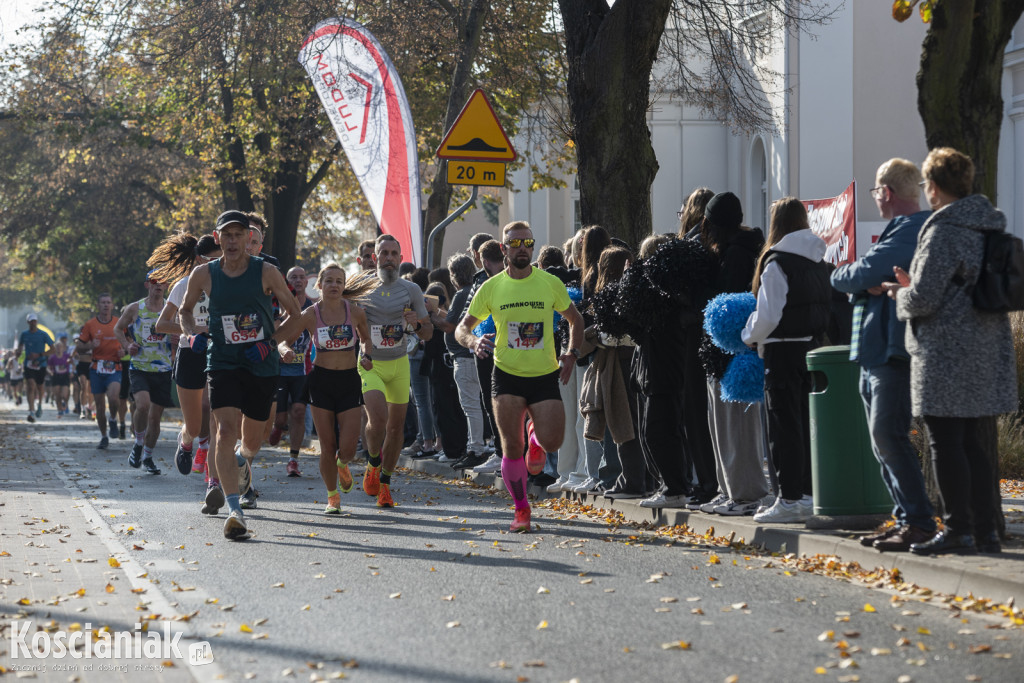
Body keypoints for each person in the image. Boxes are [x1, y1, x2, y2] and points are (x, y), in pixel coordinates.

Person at [885, 147, 1017, 555]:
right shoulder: (988, 226)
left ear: (935, 188)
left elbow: (924, 298)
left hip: (946, 352)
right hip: (985, 348)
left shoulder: (944, 230)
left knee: (946, 442)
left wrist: (899, 293)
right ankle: (985, 530)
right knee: (975, 444)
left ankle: (959, 529)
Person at [831, 159, 936, 550]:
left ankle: (919, 521)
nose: (875, 198)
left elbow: (852, 273)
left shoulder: (909, 231)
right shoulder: (905, 230)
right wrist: (865, 282)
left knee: (887, 435)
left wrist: (857, 279)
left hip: (891, 353)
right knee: (883, 439)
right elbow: (867, 277)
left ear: (886, 193)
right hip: (879, 350)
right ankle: (907, 518)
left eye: (876, 191)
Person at [456, 221, 584, 532]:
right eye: (515, 244)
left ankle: (535, 435)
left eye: (527, 243)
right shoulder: (492, 287)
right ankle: (521, 509)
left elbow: (574, 319)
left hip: (543, 374)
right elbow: (462, 328)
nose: (522, 249)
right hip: (506, 375)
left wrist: (571, 353)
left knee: (553, 441)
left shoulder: (549, 283)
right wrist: (474, 341)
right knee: (511, 448)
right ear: (504, 248)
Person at [180, 210, 301, 540]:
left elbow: (296, 315)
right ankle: (234, 510)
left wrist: (271, 343)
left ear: (249, 239)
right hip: (222, 361)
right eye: (226, 235)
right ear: (217, 238)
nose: (232, 241)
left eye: (239, 235)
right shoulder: (204, 274)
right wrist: (194, 335)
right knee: (225, 430)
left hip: (260, 364)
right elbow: (185, 311)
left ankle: (241, 461)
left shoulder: (267, 272)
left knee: (251, 441)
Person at [743, 198, 830, 524]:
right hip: (811, 349)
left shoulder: (777, 260)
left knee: (783, 427)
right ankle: (805, 494)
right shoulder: (819, 258)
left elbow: (768, 314)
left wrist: (747, 334)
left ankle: (790, 498)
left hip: (780, 351)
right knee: (805, 426)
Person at [275, 263, 375, 514]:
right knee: (327, 446)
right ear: (318, 285)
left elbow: (365, 339)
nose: (334, 285)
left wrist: (365, 354)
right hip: (321, 382)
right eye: (329, 281)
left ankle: (343, 464)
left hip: (349, 381)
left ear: (344, 286)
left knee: (349, 448)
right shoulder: (311, 314)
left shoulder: (356, 312)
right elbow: (284, 339)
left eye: (339, 281)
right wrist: (285, 350)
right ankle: (333, 498)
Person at [696, 192, 770, 516]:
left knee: (738, 429)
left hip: (736, 352)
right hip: (725, 350)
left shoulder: (738, 254)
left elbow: (734, 300)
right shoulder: (731, 251)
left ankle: (745, 493)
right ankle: (729, 489)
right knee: (723, 427)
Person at [358, 234, 433, 507]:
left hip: (399, 363)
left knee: (395, 428)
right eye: (384, 253)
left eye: (393, 253)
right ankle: (373, 463)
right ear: (374, 257)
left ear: (400, 259)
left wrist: (416, 323)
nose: (388, 258)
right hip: (370, 363)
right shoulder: (361, 287)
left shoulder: (411, 290)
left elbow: (427, 333)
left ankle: (386, 484)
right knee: (377, 422)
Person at [154, 233, 223, 511]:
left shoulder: (229, 283)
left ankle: (214, 481)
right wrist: (194, 332)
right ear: (199, 259)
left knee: (218, 419)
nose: (217, 264)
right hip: (190, 354)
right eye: (211, 260)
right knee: (195, 426)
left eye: (221, 259)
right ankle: (185, 441)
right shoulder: (184, 285)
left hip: (221, 355)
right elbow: (162, 325)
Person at [581, 246, 652, 499]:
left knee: (625, 423)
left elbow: (617, 336)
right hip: (626, 363)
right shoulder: (632, 291)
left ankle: (632, 480)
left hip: (621, 365)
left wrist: (593, 335)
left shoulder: (620, 293)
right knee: (631, 423)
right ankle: (639, 478)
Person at [115, 271, 175, 475]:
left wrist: (177, 339)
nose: (159, 285)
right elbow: (118, 328)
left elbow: (183, 329)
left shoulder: (171, 309)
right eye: (154, 282)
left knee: (155, 419)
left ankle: (148, 457)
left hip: (163, 369)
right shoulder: (135, 308)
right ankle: (138, 443)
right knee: (142, 405)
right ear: (147, 285)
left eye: (163, 281)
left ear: (167, 286)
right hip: (140, 367)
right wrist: (127, 345)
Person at [269, 266, 315, 476]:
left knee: (297, 412)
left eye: (301, 276)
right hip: (279, 372)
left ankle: (293, 460)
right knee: (280, 419)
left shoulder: (314, 309)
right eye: (293, 277)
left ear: (307, 282)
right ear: (287, 283)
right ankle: (278, 426)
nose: (298, 280)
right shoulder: (279, 307)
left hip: (302, 371)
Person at [76, 294, 126, 449]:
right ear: (98, 305)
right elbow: (79, 347)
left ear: (112, 305)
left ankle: (112, 418)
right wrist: (90, 345)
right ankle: (104, 436)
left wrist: (124, 350)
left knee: (113, 397)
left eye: (108, 302)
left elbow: (130, 341)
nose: (106, 305)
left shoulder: (119, 323)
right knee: (99, 406)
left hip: (115, 367)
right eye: (103, 302)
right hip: (97, 368)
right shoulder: (90, 325)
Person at [17, 313, 54, 422]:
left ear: (37, 322)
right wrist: (18, 352)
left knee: (40, 386)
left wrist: (40, 355)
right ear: (28, 322)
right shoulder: (24, 334)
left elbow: (53, 349)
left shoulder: (43, 334)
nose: (33, 323)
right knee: (30, 385)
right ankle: (31, 411)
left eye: (35, 321)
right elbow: (19, 347)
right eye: (31, 321)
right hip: (28, 364)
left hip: (41, 364)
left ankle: (40, 405)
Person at [47, 340, 74, 417]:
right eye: (57, 347)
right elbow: (48, 367)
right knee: (57, 395)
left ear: (63, 348)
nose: (59, 348)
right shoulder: (52, 357)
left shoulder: (67, 356)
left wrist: (72, 372)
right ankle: (60, 410)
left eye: (60, 347)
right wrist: (50, 372)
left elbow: (73, 364)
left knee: (64, 394)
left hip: (65, 376)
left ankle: (65, 404)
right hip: (56, 376)